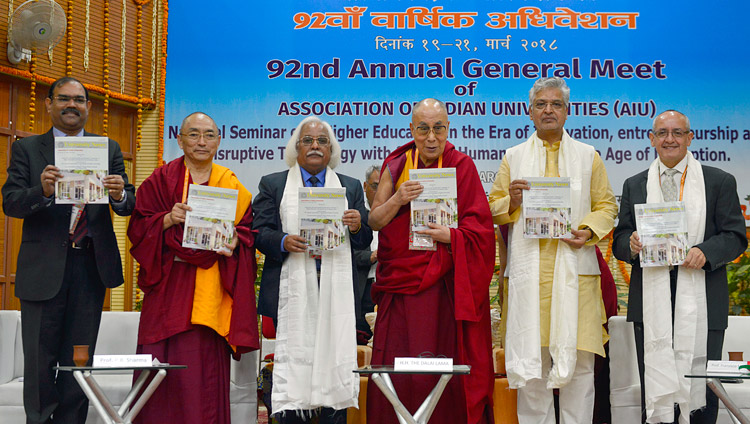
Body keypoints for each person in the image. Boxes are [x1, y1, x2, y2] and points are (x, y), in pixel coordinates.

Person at [1, 76, 135, 424]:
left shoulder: (108, 148)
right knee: (40, 361)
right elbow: (11, 202)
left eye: (79, 100)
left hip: (90, 267)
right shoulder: (27, 150)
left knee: (79, 360)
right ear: (49, 104)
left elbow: (127, 203)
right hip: (43, 269)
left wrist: (119, 194)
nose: (71, 105)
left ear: (89, 108)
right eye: (63, 98)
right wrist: (42, 191)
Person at [488, 77, 618, 424]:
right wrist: (513, 201)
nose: (548, 110)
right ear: (529, 112)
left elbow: (607, 206)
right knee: (532, 374)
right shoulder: (513, 157)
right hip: (530, 279)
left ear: (567, 111)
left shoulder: (588, 156)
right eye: (541, 104)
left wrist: (587, 230)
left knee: (579, 371)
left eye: (555, 104)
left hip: (576, 276)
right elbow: (492, 208)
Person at [612, 110, 747, 424]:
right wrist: (629, 244)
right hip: (650, 302)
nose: (669, 139)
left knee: (701, 387)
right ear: (652, 139)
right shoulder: (635, 184)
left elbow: (736, 237)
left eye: (676, 132)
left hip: (704, 302)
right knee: (656, 387)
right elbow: (620, 238)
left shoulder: (719, 181)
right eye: (662, 133)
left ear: (690, 137)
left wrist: (706, 251)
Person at [367, 98, 495, 424]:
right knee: (399, 364)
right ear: (412, 130)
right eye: (423, 129)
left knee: (440, 364)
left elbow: (480, 231)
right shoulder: (396, 164)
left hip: (443, 288)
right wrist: (399, 197)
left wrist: (451, 237)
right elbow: (376, 220)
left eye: (438, 128)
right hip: (401, 284)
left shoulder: (461, 165)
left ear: (448, 129)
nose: (431, 137)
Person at [127, 112, 258, 424]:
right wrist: (168, 219)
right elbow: (138, 228)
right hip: (169, 287)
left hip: (209, 290)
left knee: (203, 377)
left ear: (219, 141)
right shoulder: (160, 181)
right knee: (160, 372)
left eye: (209, 135)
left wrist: (234, 242)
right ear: (180, 139)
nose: (202, 142)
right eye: (194, 134)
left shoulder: (230, 184)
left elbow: (247, 234)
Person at [253, 116, 372, 423]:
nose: (315, 146)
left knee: (335, 364)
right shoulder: (274, 184)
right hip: (291, 291)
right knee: (297, 365)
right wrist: (282, 241)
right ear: (296, 147)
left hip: (337, 291)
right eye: (308, 140)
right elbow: (258, 231)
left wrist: (358, 225)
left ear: (331, 149)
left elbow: (365, 238)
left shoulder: (350, 186)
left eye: (322, 141)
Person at [352, 164, 380, 343]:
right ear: (364, 186)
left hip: (387, 286)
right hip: (363, 288)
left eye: (383, 186)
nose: (379, 191)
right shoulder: (356, 216)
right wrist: (371, 256)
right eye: (375, 186)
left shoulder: (397, 216)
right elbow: (345, 252)